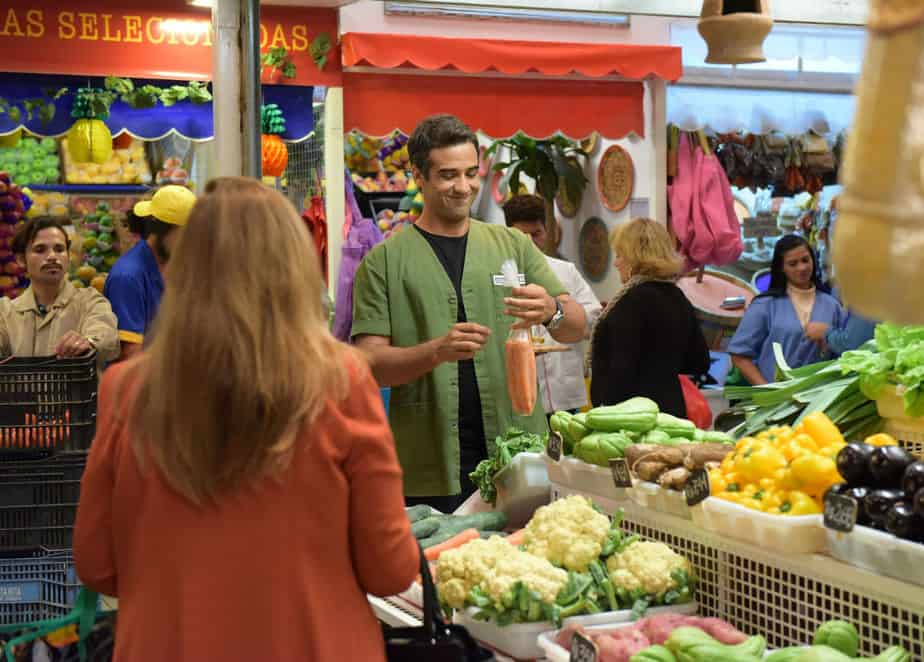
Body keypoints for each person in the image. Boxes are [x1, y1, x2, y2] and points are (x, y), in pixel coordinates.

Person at [74, 177, 418, 661]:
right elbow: (389, 569)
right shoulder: (343, 382)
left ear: (183, 268)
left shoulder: (127, 390)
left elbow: (96, 563)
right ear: (295, 268)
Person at [352, 114, 586, 511]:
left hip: (518, 457)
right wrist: (436, 352)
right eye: (447, 175)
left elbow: (575, 326)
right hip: (430, 465)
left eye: (470, 173)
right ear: (419, 176)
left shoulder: (512, 245)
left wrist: (551, 311)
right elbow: (368, 365)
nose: (463, 188)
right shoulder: (384, 262)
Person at [589, 218, 710, 417]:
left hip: (630, 418)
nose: (616, 263)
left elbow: (621, 371)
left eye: (619, 255)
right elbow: (700, 362)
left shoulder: (630, 303)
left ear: (634, 258)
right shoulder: (677, 297)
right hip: (671, 413)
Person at [502, 194, 601, 415]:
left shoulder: (565, 271)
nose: (529, 242)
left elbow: (593, 314)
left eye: (536, 234)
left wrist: (563, 316)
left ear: (547, 231)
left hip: (563, 389)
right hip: (517, 393)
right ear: (508, 234)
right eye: (521, 235)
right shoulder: (500, 273)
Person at [729, 234, 845, 385]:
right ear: (781, 268)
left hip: (816, 398)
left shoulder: (832, 305)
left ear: (813, 260)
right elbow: (739, 354)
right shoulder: (765, 305)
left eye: (805, 260)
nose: (802, 268)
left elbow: (843, 350)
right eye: (793, 263)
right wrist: (767, 390)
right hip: (774, 401)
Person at [0, 217, 118, 361]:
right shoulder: (6, 312)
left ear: (68, 256)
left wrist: (88, 342)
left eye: (59, 249)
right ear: (21, 259)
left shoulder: (90, 302)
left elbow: (107, 335)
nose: (52, 256)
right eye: (40, 249)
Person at [103, 185, 196, 361]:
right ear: (162, 231)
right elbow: (130, 355)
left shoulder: (175, 267)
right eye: (185, 236)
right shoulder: (128, 277)